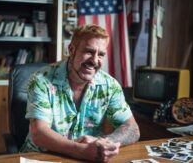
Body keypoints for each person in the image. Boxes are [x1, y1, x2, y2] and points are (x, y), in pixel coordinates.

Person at [20, 24, 140, 162]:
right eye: (89, 51)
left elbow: (132, 128)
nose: (94, 61)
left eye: (101, 54)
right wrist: (82, 151)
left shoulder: (109, 85)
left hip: (86, 158)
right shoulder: (41, 80)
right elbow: (39, 134)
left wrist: (104, 143)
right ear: (71, 49)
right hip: (41, 157)